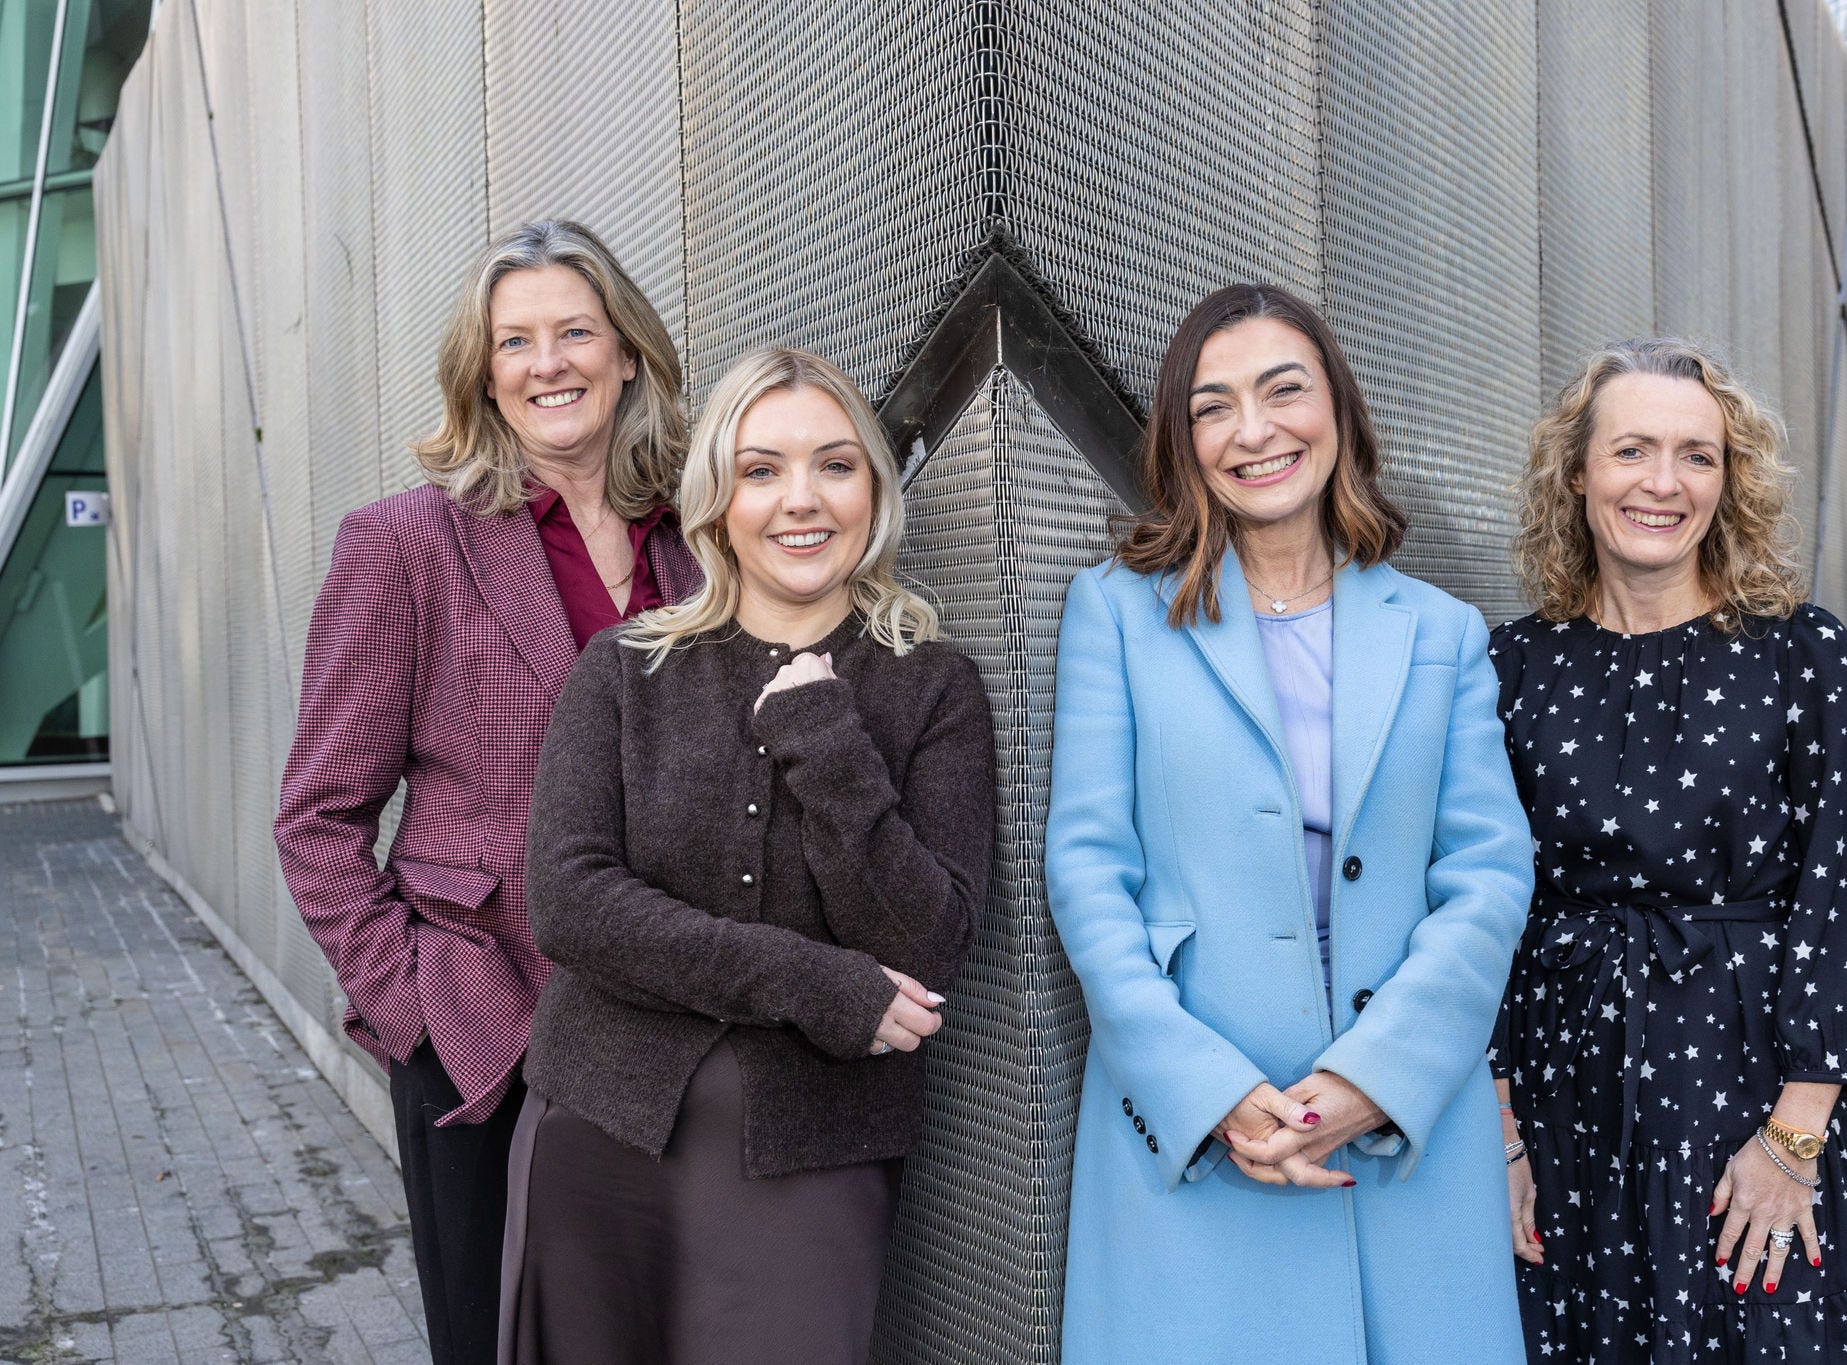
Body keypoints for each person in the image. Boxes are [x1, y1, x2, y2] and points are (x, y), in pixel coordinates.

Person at [1045, 283, 1533, 1365]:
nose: (1253, 431)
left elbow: (1489, 875)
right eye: (1212, 407)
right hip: (1200, 1144)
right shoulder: (1116, 614)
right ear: (1181, 441)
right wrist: (1205, 1092)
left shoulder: (1441, 633)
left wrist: (1379, 1076)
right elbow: (1087, 872)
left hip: (1405, 1141)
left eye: (1282, 392)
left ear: (1340, 414)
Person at [503, 347, 995, 1364]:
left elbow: (926, 942)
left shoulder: (931, 687)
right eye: (761, 469)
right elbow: (571, 901)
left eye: (834, 465)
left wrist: (823, 734)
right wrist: (814, 982)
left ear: (874, 489)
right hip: (600, 1131)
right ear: (715, 497)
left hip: (811, 1153)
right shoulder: (625, 670)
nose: (799, 501)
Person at [274, 220, 699, 1365]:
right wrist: (413, 1008)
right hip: (489, 1023)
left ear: (626, 354)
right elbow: (317, 816)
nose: (547, 362)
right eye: (515, 341)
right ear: (483, 375)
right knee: (493, 1339)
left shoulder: (704, 537)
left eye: (574, 331)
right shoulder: (404, 545)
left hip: (687, 1025)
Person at [1489, 338, 1847, 1361]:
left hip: (1749, 1089)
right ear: (1575, 473)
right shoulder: (1510, 665)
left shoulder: (1796, 651)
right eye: (1631, 450)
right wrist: (1501, 1136)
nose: (1662, 483)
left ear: (1729, 483)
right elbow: (1485, 907)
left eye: (1696, 455)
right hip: (1567, 1102)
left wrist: (1793, 1140)